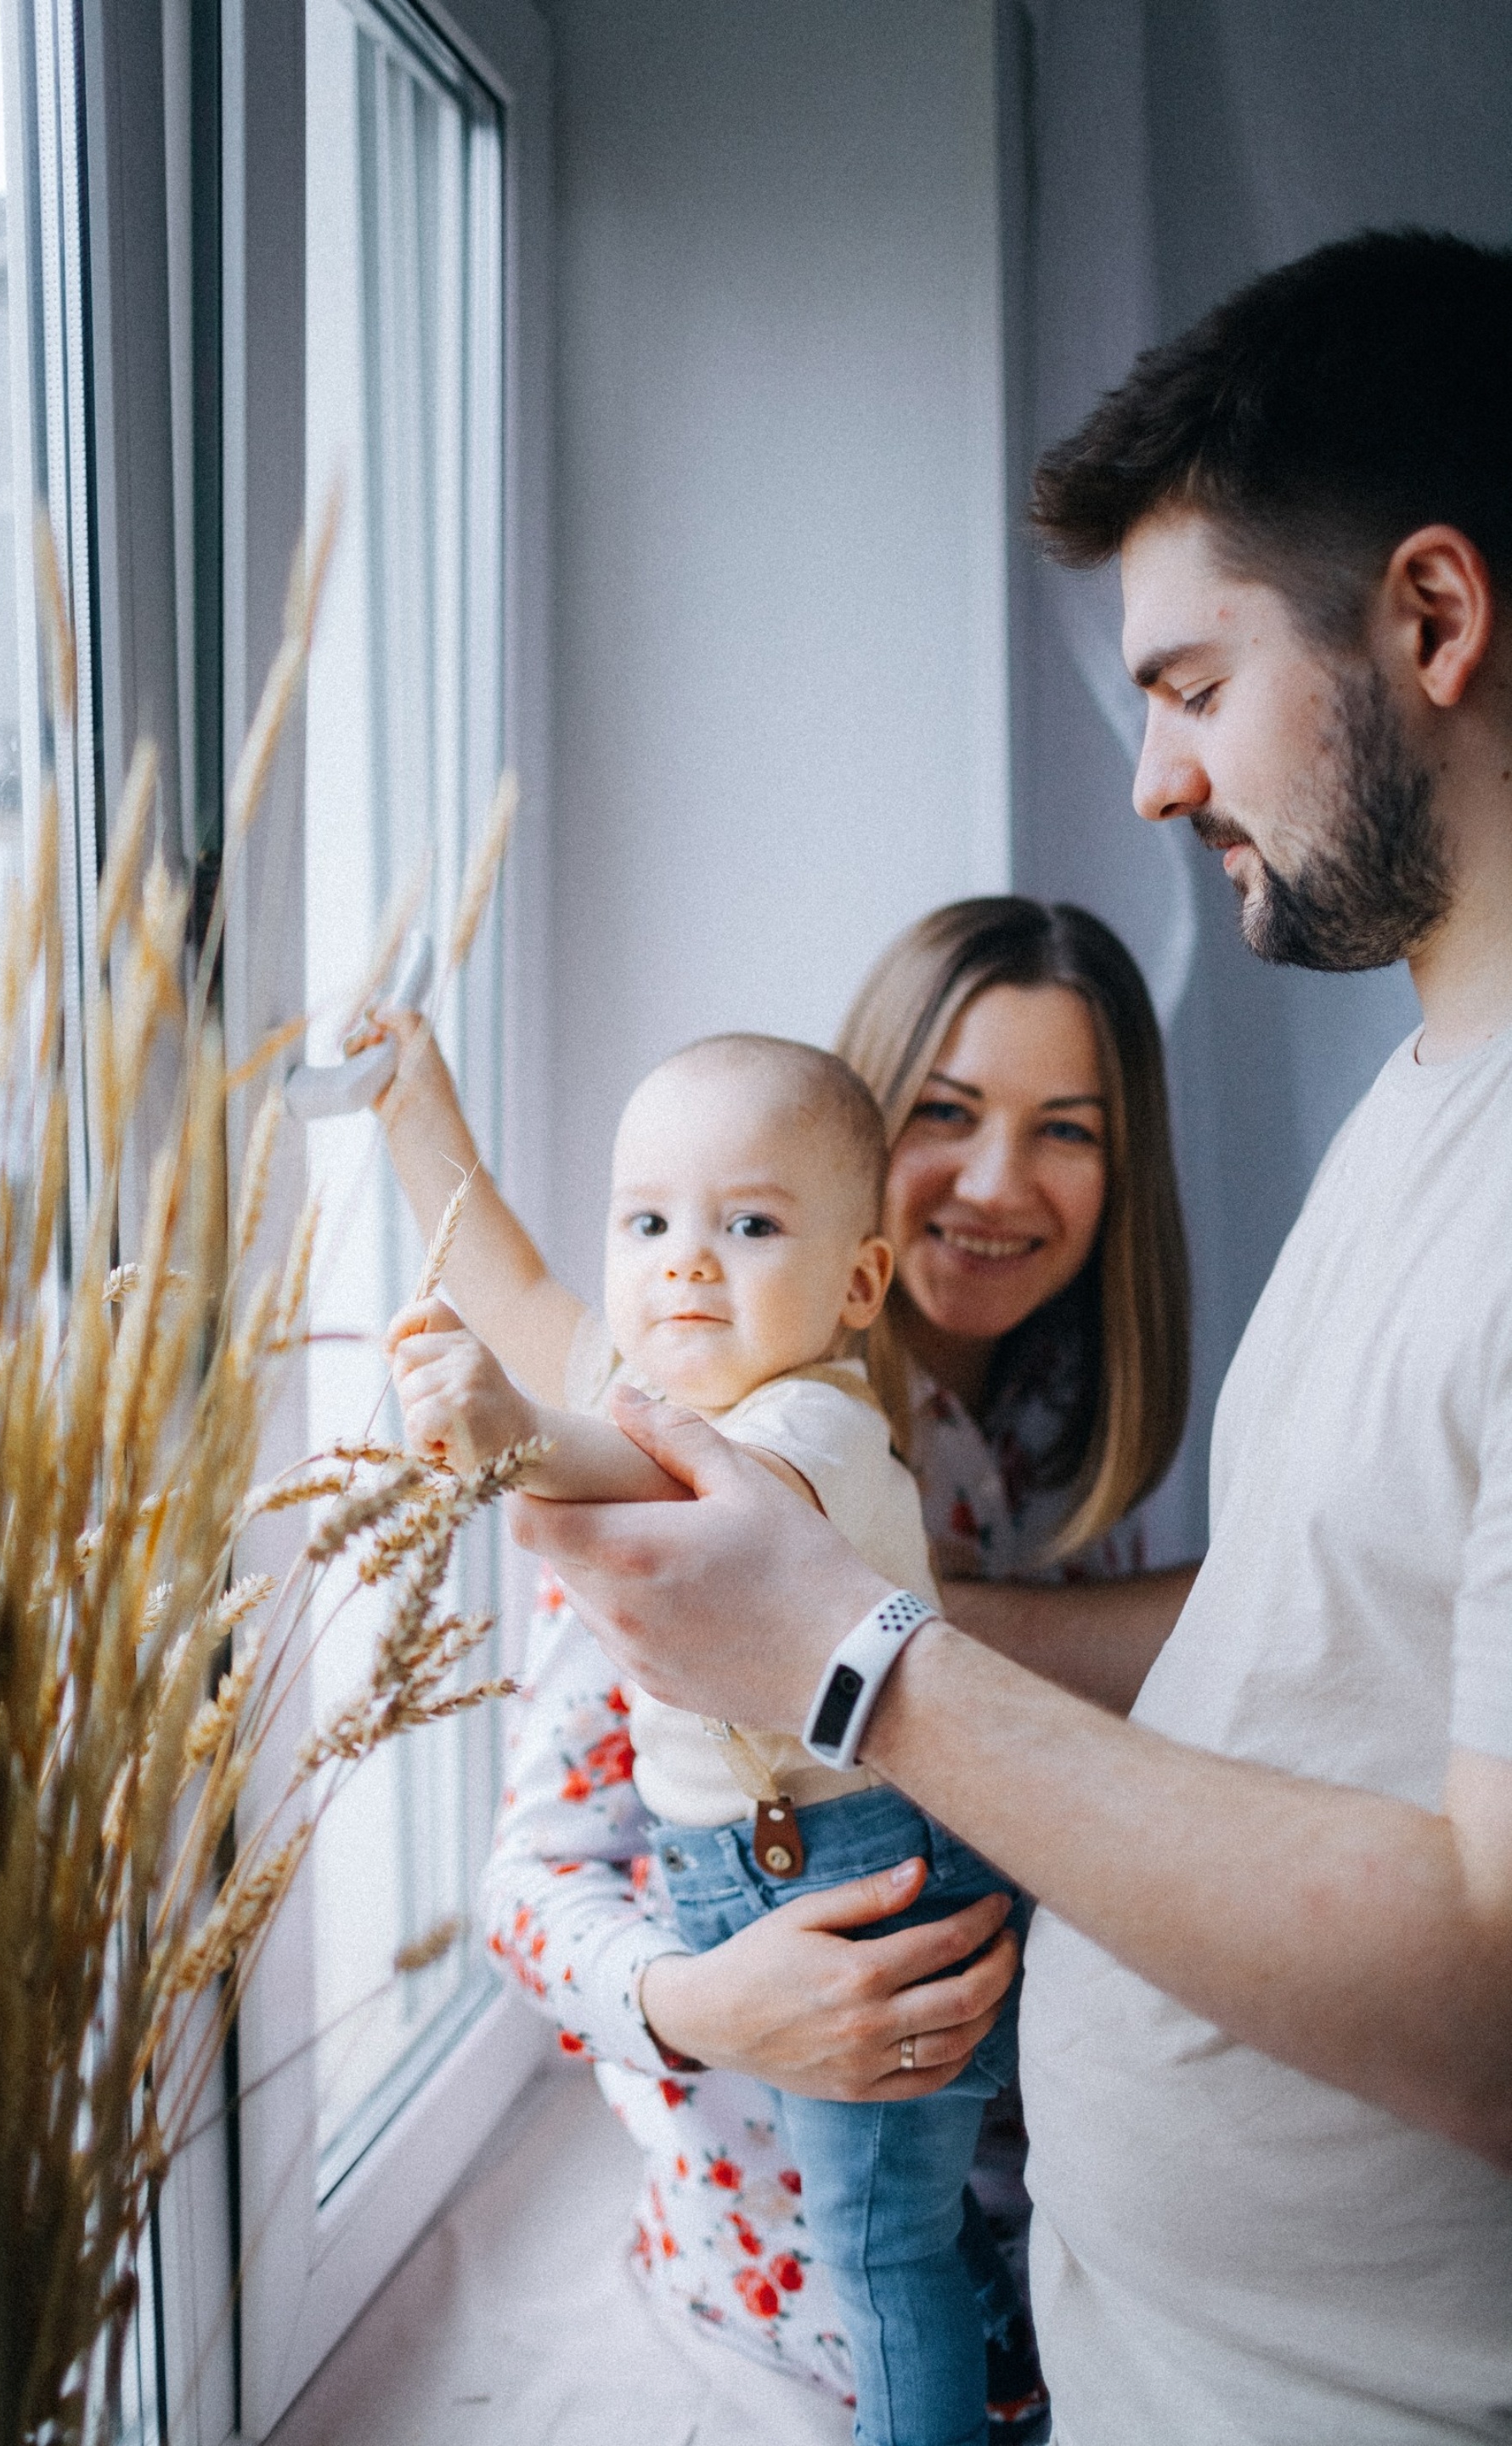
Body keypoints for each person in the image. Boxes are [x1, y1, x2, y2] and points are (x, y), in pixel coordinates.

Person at [505, 228, 1512, 2443]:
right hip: (999, 2319)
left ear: (1432, 619)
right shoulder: (1421, 1095)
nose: (1154, 776)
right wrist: (823, 1668)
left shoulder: (1058, 1429)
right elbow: (1296, 1636)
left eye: (1186, 681)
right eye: (941, 1117)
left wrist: (860, 1649)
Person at [375, 901, 1191, 2438]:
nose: (1000, 1181)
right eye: (946, 1113)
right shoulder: (697, 1455)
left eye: (1064, 1129)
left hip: (1032, 2267)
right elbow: (525, 1892)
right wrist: (704, 2004)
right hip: (791, 2304)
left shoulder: (1030, 1448)